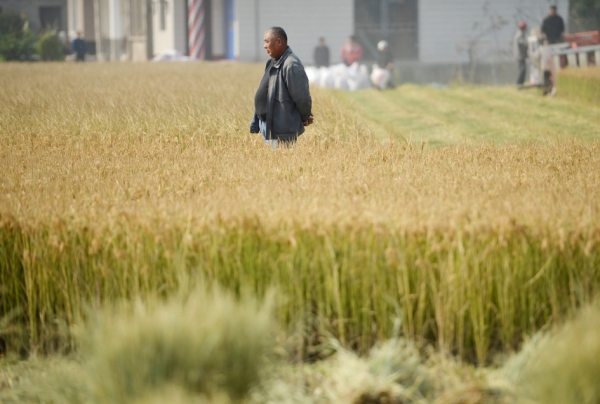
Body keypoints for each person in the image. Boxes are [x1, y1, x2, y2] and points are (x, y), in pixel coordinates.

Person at [250, 27, 313, 147]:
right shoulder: (273, 62)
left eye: (267, 41)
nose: (264, 45)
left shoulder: (291, 64)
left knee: (280, 164)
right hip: (269, 127)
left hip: (281, 131)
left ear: (278, 42)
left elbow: (302, 97)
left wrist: (305, 117)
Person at [513, 21, 529, 87]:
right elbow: (522, 42)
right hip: (520, 55)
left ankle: (521, 83)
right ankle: (519, 83)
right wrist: (528, 43)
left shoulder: (519, 33)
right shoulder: (519, 34)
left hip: (520, 55)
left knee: (523, 69)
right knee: (522, 69)